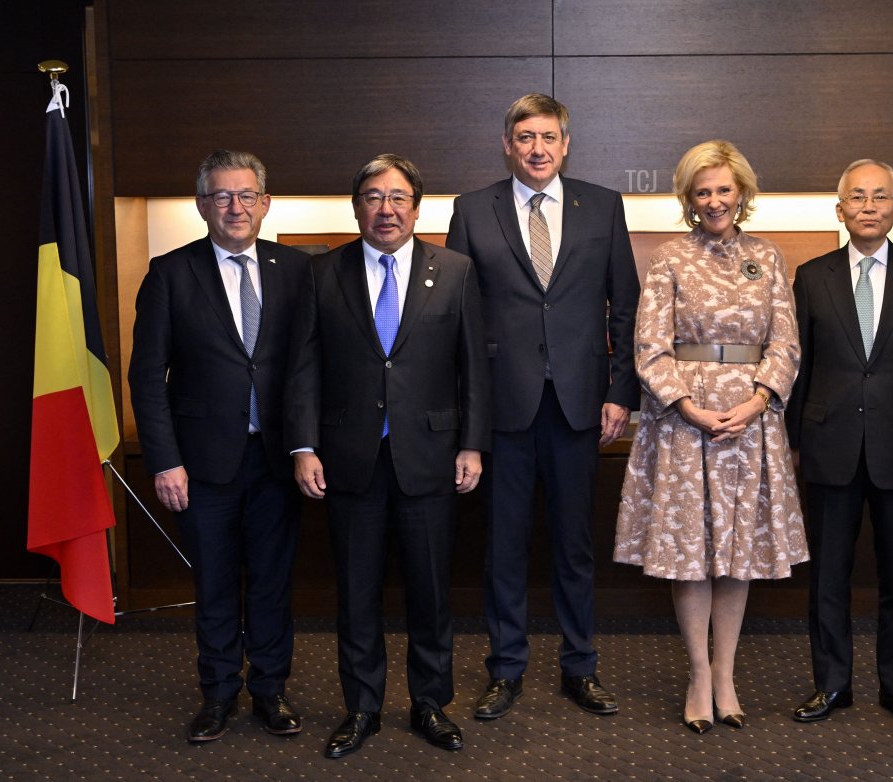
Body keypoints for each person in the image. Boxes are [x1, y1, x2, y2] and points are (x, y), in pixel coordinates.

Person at [285, 154, 489, 756]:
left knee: (430, 591)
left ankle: (430, 703)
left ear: (416, 206)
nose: (386, 208)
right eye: (373, 197)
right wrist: (303, 446)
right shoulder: (322, 272)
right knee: (356, 591)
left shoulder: (454, 270)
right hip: (347, 459)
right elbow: (303, 368)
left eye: (398, 197)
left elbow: (473, 366)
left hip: (430, 456)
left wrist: (473, 443)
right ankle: (362, 707)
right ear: (357, 207)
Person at [446, 93, 640, 720]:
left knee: (573, 545)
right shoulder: (473, 210)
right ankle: (505, 669)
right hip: (503, 407)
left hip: (581, 406)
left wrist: (619, 392)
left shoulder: (603, 206)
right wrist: (467, 416)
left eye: (548, 137)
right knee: (503, 545)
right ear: (508, 143)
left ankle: (580, 666)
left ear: (565, 143)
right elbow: (459, 320)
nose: (537, 148)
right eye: (525, 136)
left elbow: (626, 307)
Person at [614, 140, 807, 733]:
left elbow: (786, 343)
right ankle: (699, 673)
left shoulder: (768, 257)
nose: (715, 200)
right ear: (689, 199)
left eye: (724, 189)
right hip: (683, 424)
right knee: (692, 556)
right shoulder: (670, 258)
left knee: (737, 555)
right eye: (704, 191)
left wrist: (757, 399)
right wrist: (688, 406)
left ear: (742, 193)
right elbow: (649, 346)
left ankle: (727, 674)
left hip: (751, 422)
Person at [128, 149, 306, 742]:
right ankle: (219, 691)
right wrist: (164, 460)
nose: (236, 207)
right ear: (203, 205)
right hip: (201, 464)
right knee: (215, 582)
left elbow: (311, 366)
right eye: (222, 196)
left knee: (273, 581)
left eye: (247, 195)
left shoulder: (298, 270)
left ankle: (271, 690)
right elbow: (147, 377)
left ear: (266, 202)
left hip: (278, 459)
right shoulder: (170, 273)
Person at [785, 159, 893, 731]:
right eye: (857, 197)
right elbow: (798, 365)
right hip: (828, 444)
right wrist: (794, 441)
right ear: (840, 209)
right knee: (827, 574)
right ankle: (831, 684)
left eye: (880, 197)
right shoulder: (811, 275)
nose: (868, 206)